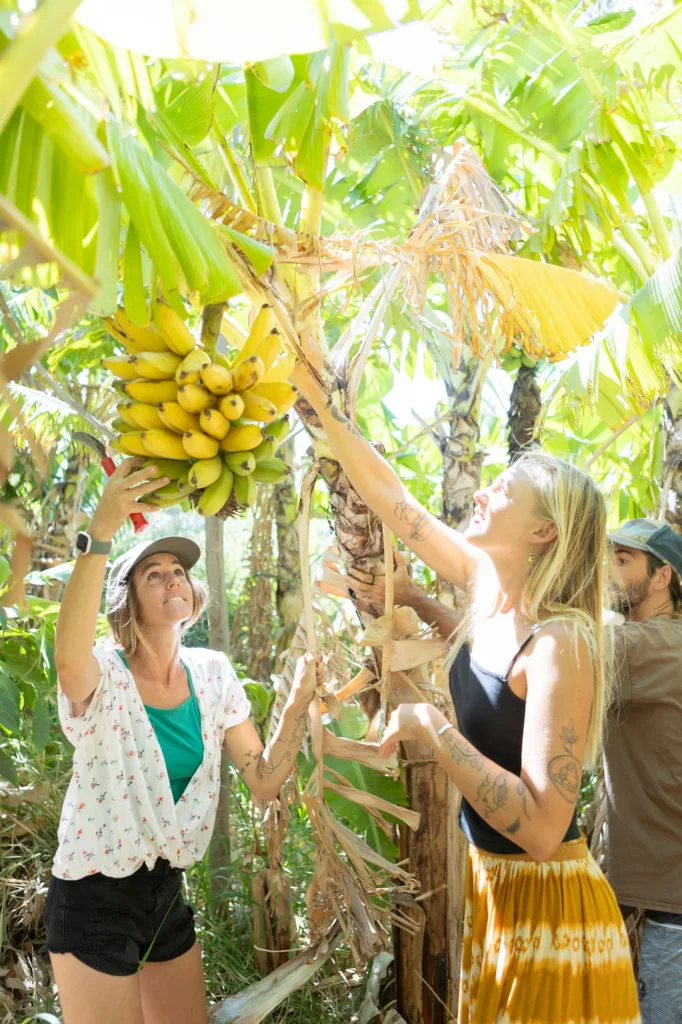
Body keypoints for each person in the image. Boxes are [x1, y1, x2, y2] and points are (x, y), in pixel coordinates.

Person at [291, 355, 640, 1023]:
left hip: (549, 911)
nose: (480, 493)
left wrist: (431, 727)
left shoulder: (562, 643)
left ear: (543, 532)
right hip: (495, 895)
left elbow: (541, 827)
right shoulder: (487, 590)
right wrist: (323, 413)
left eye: (501, 490)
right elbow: (395, 502)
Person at [45, 458, 322, 1024]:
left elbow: (265, 781)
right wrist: (101, 531)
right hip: (93, 894)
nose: (173, 577)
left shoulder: (213, 675)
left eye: (178, 570)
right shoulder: (105, 674)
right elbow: (67, 659)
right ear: (129, 603)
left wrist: (296, 705)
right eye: (154, 573)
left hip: (164, 892)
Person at [606, 518, 682, 1023]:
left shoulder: (651, 646)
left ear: (662, 577)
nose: (608, 571)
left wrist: (420, 602)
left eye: (623, 560)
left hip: (670, 905)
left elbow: (538, 651)